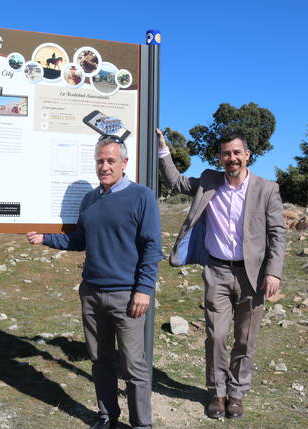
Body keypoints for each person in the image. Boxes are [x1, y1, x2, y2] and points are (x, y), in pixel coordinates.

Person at [27, 135, 163, 429]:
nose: (104, 166)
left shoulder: (142, 196)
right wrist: (45, 238)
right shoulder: (90, 199)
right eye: (100, 161)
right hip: (91, 293)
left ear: (124, 163)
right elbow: (79, 240)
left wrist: (143, 289)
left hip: (127, 296)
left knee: (133, 365)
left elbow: (152, 246)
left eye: (111, 160)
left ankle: (142, 424)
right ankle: (107, 416)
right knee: (100, 360)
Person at [155, 128, 286, 419]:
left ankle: (237, 394)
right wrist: (164, 149)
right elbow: (176, 182)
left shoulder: (267, 189)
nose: (232, 158)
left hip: (252, 276)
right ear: (220, 157)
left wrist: (273, 273)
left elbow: (278, 234)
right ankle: (217, 393)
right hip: (216, 270)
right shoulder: (208, 181)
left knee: (245, 338)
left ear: (247, 155)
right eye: (226, 153)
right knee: (216, 336)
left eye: (237, 152)